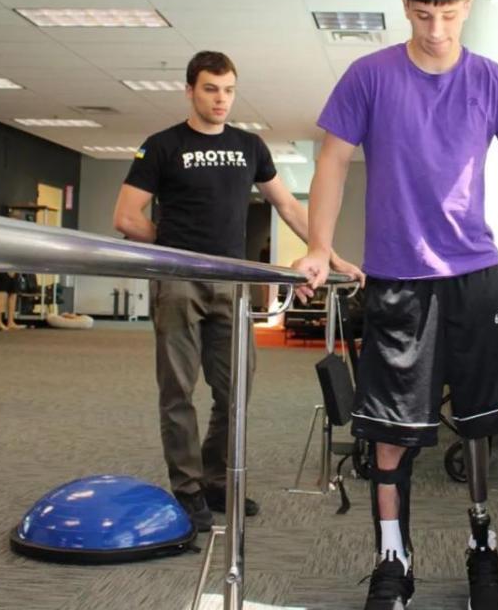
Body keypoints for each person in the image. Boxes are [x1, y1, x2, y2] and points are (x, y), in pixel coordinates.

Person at [292, 0, 498, 610]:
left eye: (449, 16)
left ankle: (483, 544)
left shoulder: (492, 82)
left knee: (481, 425)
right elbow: (334, 162)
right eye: (423, 15)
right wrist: (317, 244)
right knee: (389, 432)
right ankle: (392, 558)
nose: (435, 31)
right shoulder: (369, 76)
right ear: (405, 8)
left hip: (475, 276)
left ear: (466, 9)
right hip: (398, 281)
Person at [113, 50, 363, 532]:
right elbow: (126, 217)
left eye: (228, 89)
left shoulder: (250, 146)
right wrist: (174, 249)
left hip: (232, 284)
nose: (221, 99)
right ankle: (187, 492)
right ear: (190, 90)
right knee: (178, 392)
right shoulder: (161, 145)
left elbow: (289, 205)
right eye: (211, 89)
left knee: (235, 391)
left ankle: (215, 480)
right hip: (180, 281)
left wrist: (327, 252)